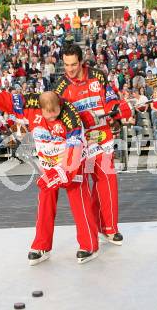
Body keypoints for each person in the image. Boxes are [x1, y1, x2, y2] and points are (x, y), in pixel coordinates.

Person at [0, 73, 99, 265]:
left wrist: (61, 173)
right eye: (49, 113)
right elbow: (5, 101)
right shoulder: (30, 104)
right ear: (41, 109)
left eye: (56, 113)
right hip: (47, 164)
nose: (53, 117)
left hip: (70, 165)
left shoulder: (71, 117)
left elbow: (74, 149)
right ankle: (42, 245)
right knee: (44, 202)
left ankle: (89, 245)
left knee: (80, 203)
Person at [54, 44, 132, 245]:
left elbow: (110, 99)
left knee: (107, 181)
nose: (70, 69)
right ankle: (92, 228)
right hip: (79, 142)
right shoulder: (61, 87)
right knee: (84, 188)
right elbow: (58, 117)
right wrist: (80, 120)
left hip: (102, 136)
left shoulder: (98, 76)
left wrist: (115, 110)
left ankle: (110, 228)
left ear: (81, 62)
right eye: (66, 65)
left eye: (73, 64)